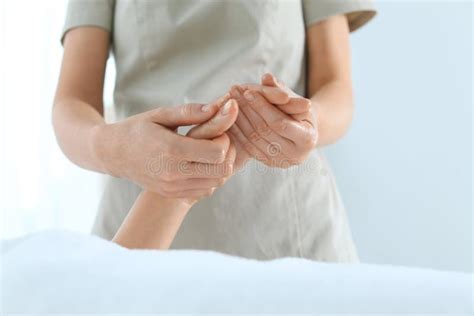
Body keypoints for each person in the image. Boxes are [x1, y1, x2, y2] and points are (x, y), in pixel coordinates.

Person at [53, 0, 376, 262]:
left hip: (285, 222)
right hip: (142, 218)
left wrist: (308, 124)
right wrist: (111, 147)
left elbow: (337, 89)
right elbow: (71, 102)